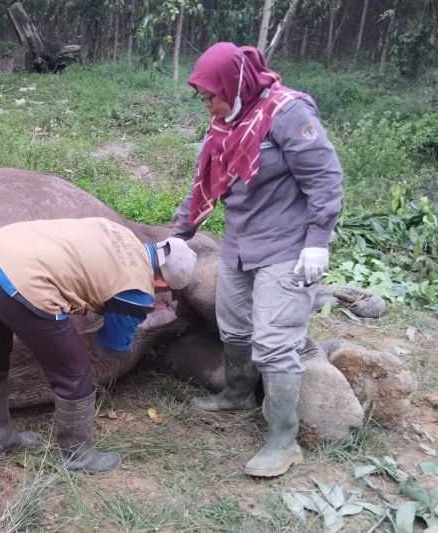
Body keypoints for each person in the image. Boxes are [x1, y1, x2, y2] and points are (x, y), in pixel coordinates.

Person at [169, 42, 343, 478]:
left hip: (286, 248)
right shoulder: (224, 125)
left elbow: (324, 176)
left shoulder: (288, 114)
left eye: (211, 94)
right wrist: (176, 236)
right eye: (203, 96)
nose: (207, 104)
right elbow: (203, 186)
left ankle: (283, 441)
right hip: (241, 245)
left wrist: (318, 240)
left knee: (274, 340)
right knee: (234, 326)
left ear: (236, 83)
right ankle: (237, 394)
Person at [0, 217, 197, 473]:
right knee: (76, 374)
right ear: (164, 283)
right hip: (26, 282)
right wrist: (134, 327)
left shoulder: (122, 234)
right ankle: (79, 456)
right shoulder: (137, 289)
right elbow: (110, 348)